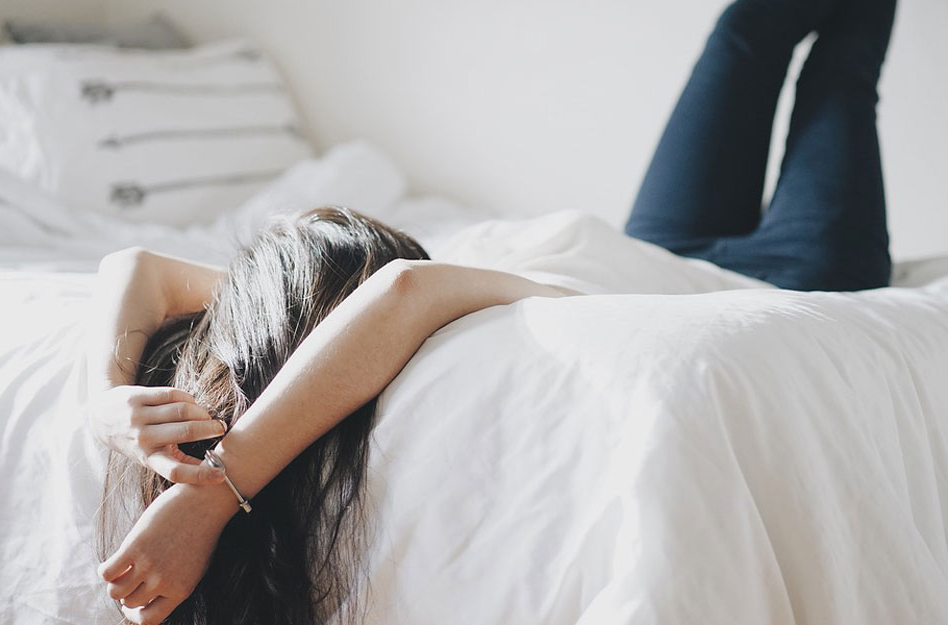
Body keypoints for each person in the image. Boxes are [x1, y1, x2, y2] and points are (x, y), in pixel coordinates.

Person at [90, 0, 897, 623]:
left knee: (744, 33)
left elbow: (137, 270)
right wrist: (212, 494)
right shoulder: (461, 306)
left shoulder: (351, 295)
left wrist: (106, 396)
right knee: (843, 66)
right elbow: (404, 293)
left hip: (659, 238)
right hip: (789, 274)